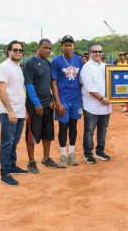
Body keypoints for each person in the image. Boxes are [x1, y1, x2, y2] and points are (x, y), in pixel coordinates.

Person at [23, 39, 58, 173]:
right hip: (35, 107)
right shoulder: (30, 64)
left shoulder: (47, 63)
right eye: (45, 48)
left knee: (47, 134)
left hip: (48, 105)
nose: (48, 51)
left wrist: (52, 99)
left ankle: (46, 158)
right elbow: (29, 85)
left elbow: (49, 84)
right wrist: (37, 104)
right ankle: (31, 162)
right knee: (32, 135)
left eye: (50, 48)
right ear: (39, 47)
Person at [0, 40, 29, 186]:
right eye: (15, 50)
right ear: (8, 51)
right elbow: (1, 90)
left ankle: (12, 165)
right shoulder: (4, 67)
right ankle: (5, 173)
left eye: (20, 50)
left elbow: (18, 90)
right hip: (8, 112)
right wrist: (10, 110)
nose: (18, 52)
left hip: (20, 112)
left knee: (14, 141)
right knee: (7, 143)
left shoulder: (18, 67)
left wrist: (24, 110)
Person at [51, 35, 83, 167]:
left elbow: (81, 80)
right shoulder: (56, 61)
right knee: (63, 127)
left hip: (76, 99)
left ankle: (72, 153)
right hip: (63, 99)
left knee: (74, 126)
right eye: (66, 45)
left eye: (70, 45)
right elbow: (53, 82)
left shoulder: (79, 60)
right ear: (62, 46)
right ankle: (63, 155)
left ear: (73, 46)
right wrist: (57, 102)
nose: (68, 47)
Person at [80, 43, 112, 164]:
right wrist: (101, 98)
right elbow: (90, 88)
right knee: (89, 130)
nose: (98, 53)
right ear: (90, 53)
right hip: (92, 105)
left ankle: (100, 151)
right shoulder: (86, 68)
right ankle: (88, 153)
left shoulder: (106, 66)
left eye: (99, 51)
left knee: (103, 129)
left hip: (106, 105)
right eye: (95, 52)